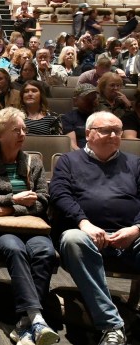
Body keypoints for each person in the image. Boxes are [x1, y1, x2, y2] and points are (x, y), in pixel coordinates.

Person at [0, 107, 59, 345]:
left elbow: (42, 200)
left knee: (45, 252)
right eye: (16, 129)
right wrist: (12, 199)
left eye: (24, 129)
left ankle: (24, 322)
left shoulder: (33, 162)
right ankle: (37, 318)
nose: (22, 134)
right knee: (15, 248)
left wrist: (11, 208)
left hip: (30, 222)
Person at [50, 111, 135, 345]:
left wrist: (136, 229)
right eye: (106, 130)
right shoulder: (69, 161)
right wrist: (84, 222)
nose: (113, 135)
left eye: (117, 131)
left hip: (130, 235)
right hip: (84, 234)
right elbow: (59, 194)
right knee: (72, 239)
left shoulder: (135, 163)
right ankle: (112, 325)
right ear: (88, 134)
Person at [63, 84, 99, 150]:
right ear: (75, 101)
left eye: (94, 98)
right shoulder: (69, 118)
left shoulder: (104, 117)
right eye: (87, 99)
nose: (91, 102)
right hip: (80, 154)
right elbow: (72, 144)